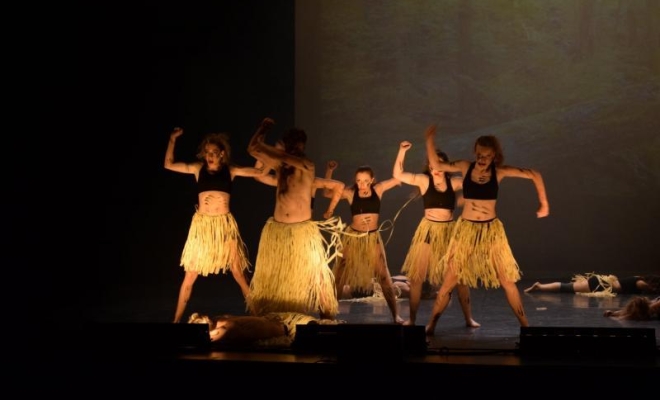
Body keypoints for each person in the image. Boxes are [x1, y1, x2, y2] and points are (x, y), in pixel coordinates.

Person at [423, 124, 550, 336]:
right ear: (475, 151)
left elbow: (534, 174)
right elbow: (436, 163)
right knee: (449, 282)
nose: (482, 159)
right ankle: (432, 324)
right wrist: (429, 141)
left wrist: (543, 203)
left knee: (507, 280)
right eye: (480, 155)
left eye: (487, 156)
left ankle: (526, 327)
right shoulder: (465, 167)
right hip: (467, 231)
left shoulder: (499, 172)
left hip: (491, 231)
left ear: (494, 156)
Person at [164, 127, 268, 323]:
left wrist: (261, 149)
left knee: (238, 272)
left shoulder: (231, 170)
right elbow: (168, 164)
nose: (209, 156)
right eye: (206, 152)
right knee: (190, 275)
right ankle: (175, 322)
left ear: (222, 154)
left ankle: (259, 316)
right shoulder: (198, 169)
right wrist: (172, 139)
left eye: (213, 152)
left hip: (224, 226)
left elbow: (260, 170)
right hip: (202, 228)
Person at [246, 118, 342, 319]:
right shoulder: (280, 166)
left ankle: (327, 319)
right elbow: (253, 150)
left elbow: (269, 154)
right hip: (278, 231)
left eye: (297, 145)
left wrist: (273, 152)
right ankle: (266, 316)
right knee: (272, 276)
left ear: (302, 146)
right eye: (292, 145)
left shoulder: (306, 164)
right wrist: (263, 129)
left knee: (318, 274)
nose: (295, 148)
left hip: (302, 231)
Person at [393, 140, 480, 327]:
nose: (437, 168)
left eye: (441, 165)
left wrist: (465, 198)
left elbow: (475, 183)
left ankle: (468, 318)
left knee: (461, 279)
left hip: (449, 232)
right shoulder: (424, 181)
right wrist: (402, 151)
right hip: (429, 231)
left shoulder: (454, 182)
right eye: (433, 164)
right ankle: (413, 319)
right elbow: (398, 174)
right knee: (416, 278)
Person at [324, 161, 404, 324]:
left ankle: (395, 315)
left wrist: (401, 153)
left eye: (365, 181)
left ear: (372, 180)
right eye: (359, 180)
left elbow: (397, 178)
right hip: (353, 237)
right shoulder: (351, 193)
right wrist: (329, 171)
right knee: (339, 275)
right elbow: (327, 192)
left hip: (372, 237)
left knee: (383, 276)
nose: (362, 184)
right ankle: (330, 314)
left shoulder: (378, 189)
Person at [188, 311, 341, 347]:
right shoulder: (223, 328)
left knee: (322, 325)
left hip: (280, 320)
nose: (207, 318)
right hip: (285, 333)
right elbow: (214, 336)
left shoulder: (222, 319)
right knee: (318, 331)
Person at [524, 274, 660, 297]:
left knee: (567, 286)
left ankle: (540, 286)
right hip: (600, 285)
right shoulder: (641, 283)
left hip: (601, 283)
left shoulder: (638, 277)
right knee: (567, 288)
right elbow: (650, 290)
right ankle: (540, 286)